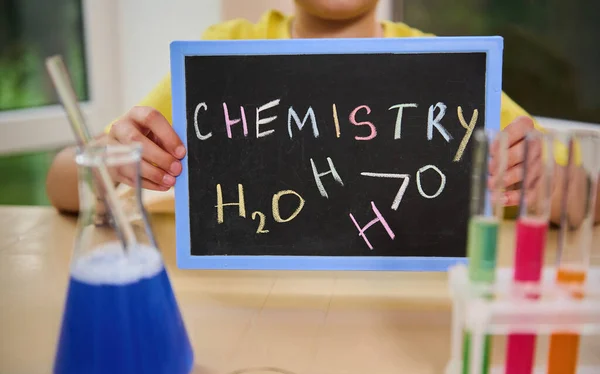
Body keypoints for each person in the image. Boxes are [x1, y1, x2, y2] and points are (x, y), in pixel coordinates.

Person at [46, 0, 598, 224]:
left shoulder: (448, 72)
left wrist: (556, 186)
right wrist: (112, 163)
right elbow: (60, 180)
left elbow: (588, 196)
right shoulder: (223, 58)